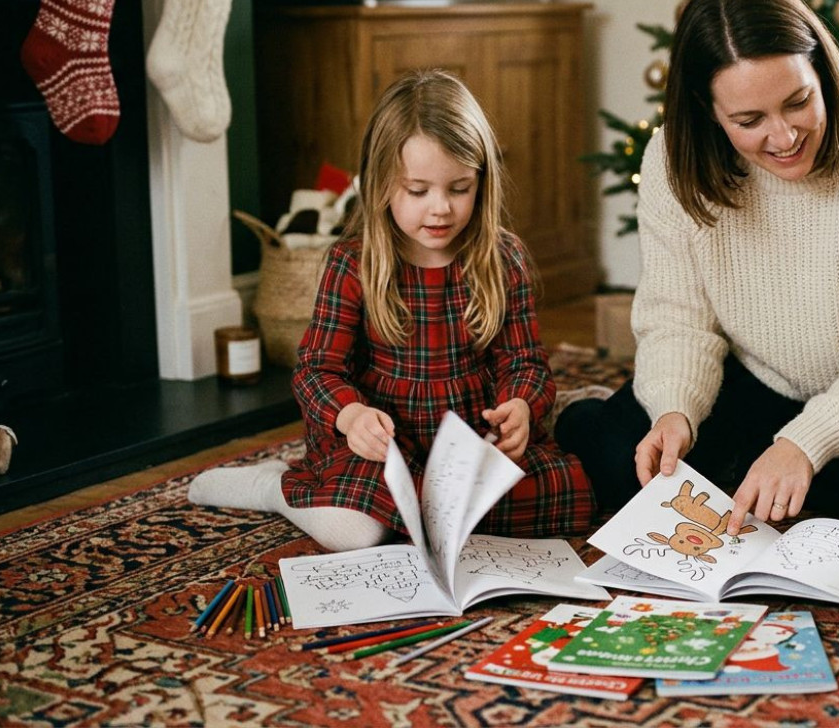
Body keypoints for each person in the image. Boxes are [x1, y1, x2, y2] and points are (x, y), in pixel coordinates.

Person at [555, 0, 839, 532]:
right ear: (708, 110)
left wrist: (805, 444)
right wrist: (675, 409)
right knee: (624, 463)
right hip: (747, 374)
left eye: (798, 102)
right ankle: (608, 417)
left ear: (823, 71)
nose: (784, 138)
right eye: (749, 120)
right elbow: (679, 317)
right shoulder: (672, 159)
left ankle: (752, 466)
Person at [189, 69, 595, 550]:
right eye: (418, 191)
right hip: (383, 443)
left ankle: (432, 500)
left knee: (570, 495)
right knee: (353, 532)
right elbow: (316, 371)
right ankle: (274, 486)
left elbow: (524, 362)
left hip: (468, 442)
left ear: (482, 182)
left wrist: (520, 405)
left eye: (459, 188)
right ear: (381, 184)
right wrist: (351, 416)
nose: (440, 208)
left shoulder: (503, 257)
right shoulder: (353, 262)